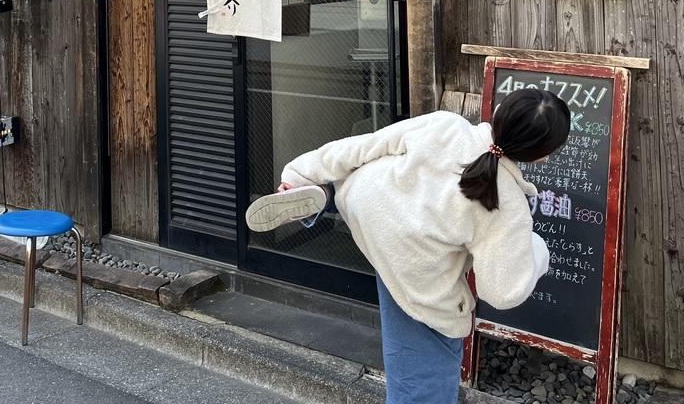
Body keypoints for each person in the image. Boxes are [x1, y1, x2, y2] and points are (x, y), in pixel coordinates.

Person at [244, 88, 571, 404]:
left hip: (370, 202)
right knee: (425, 370)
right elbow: (502, 292)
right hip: (412, 256)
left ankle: (325, 193)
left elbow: (366, 145)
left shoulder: (446, 124)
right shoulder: (508, 205)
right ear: (542, 155)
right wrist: (536, 249)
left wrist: (299, 172)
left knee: (362, 171)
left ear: (498, 111)